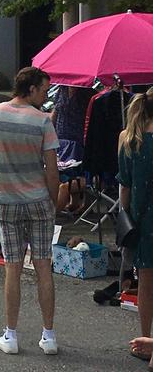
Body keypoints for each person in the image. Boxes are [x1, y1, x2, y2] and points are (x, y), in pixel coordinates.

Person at [0, 67, 59, 356]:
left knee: (12, 268)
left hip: (7, 200)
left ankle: (10, 334)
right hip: (38, 200)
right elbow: (52, 169)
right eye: (44, 89)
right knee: (43, 267)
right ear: (32, 89)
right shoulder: (42, 122)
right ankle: (48, 335)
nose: (46, 95)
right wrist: (53, 201)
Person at [117, 88, 153, 367]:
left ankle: (145, 340)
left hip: (142, 217)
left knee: (146, 282)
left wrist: (125, 215)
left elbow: (125, 186)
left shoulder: (129, 139)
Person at [51, 86, 93, 212]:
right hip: (62, 137)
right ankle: (73, 202)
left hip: (78, 138)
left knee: (79, 170)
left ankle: (86, 204)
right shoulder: (61, 90)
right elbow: (55, 111)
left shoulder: (87, 92)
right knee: (66, 171)